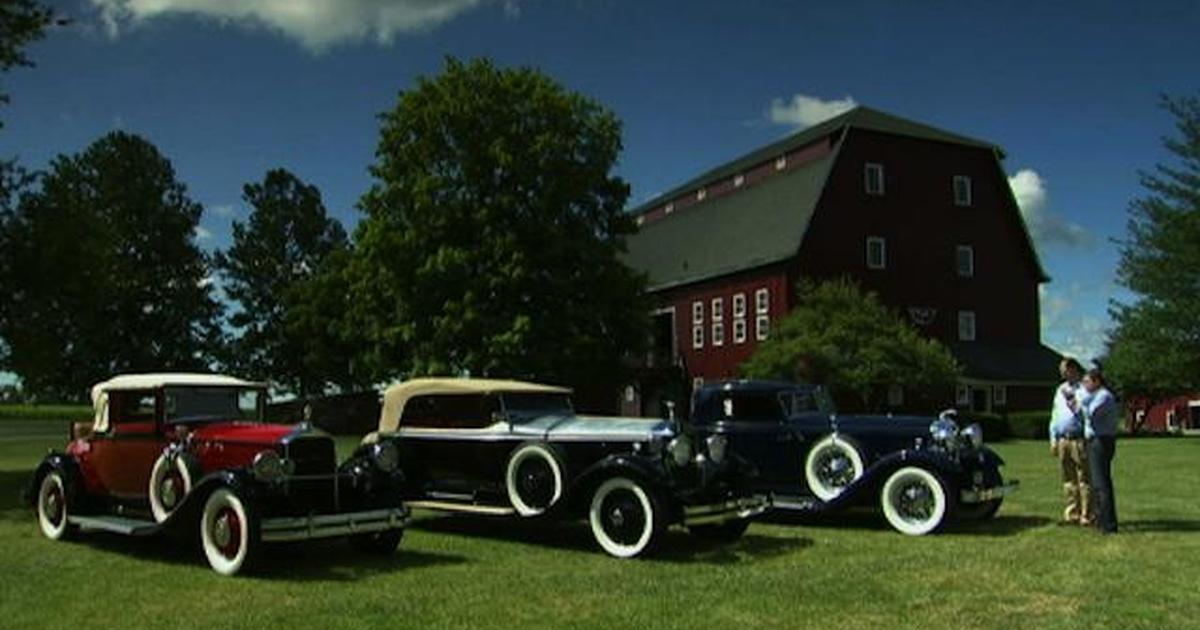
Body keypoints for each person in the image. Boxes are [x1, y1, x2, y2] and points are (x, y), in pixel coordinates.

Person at [1048, 357, 1091, 525]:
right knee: (1068, 479)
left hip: (1078, 439)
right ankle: (1072, 513)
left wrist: (1074, 400)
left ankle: (1086, 514)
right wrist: (1053, 439)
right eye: (1061, 371)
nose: (1062, 373)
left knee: (1084, 478)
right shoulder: (1060, 390)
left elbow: (1086, 413)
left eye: (1065, 370)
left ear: (1073, 369)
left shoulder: (1084, 389)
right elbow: (1054, 415)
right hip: (1062, 440)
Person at [1080, 368, 1119, 534]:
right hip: (1095, 441)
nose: (1084, 385)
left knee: (1101, 483)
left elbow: (1092, 414)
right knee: (1097, 483)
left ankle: (1108, 524)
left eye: (1087, 381)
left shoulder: (1103, 396)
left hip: (1101, 441)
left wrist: (1079, 404)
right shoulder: (1095, 396)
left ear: (1097, 381)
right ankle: (1100, 518)